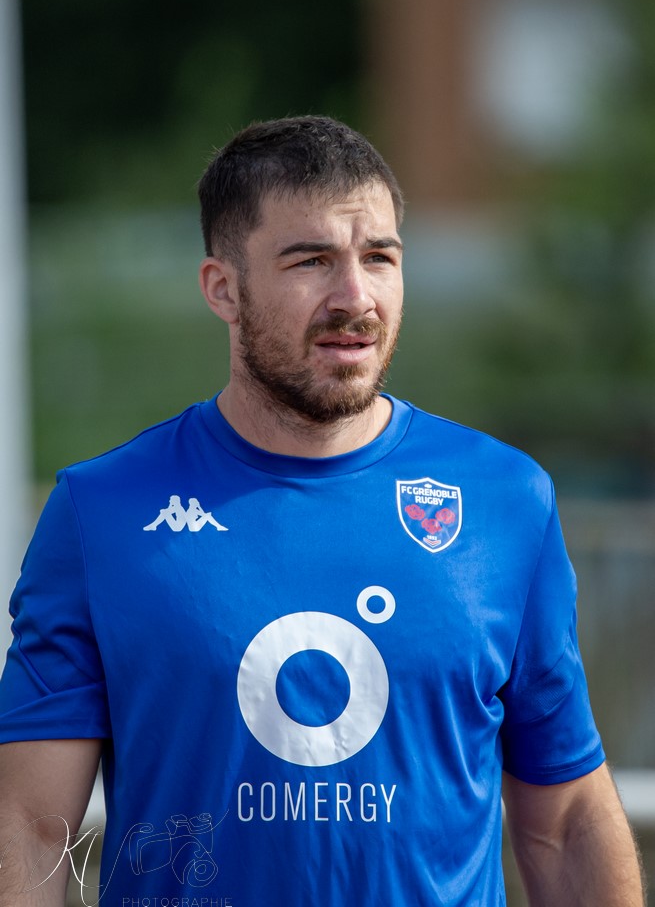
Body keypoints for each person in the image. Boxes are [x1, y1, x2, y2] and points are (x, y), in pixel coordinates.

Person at [0, 116, 644, 906]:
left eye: (379, 257)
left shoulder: (506, 500)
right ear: (222, 288)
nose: (355, 297)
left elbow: (567, 816)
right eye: (311, 261)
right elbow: (32, 825)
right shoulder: (100, 514)